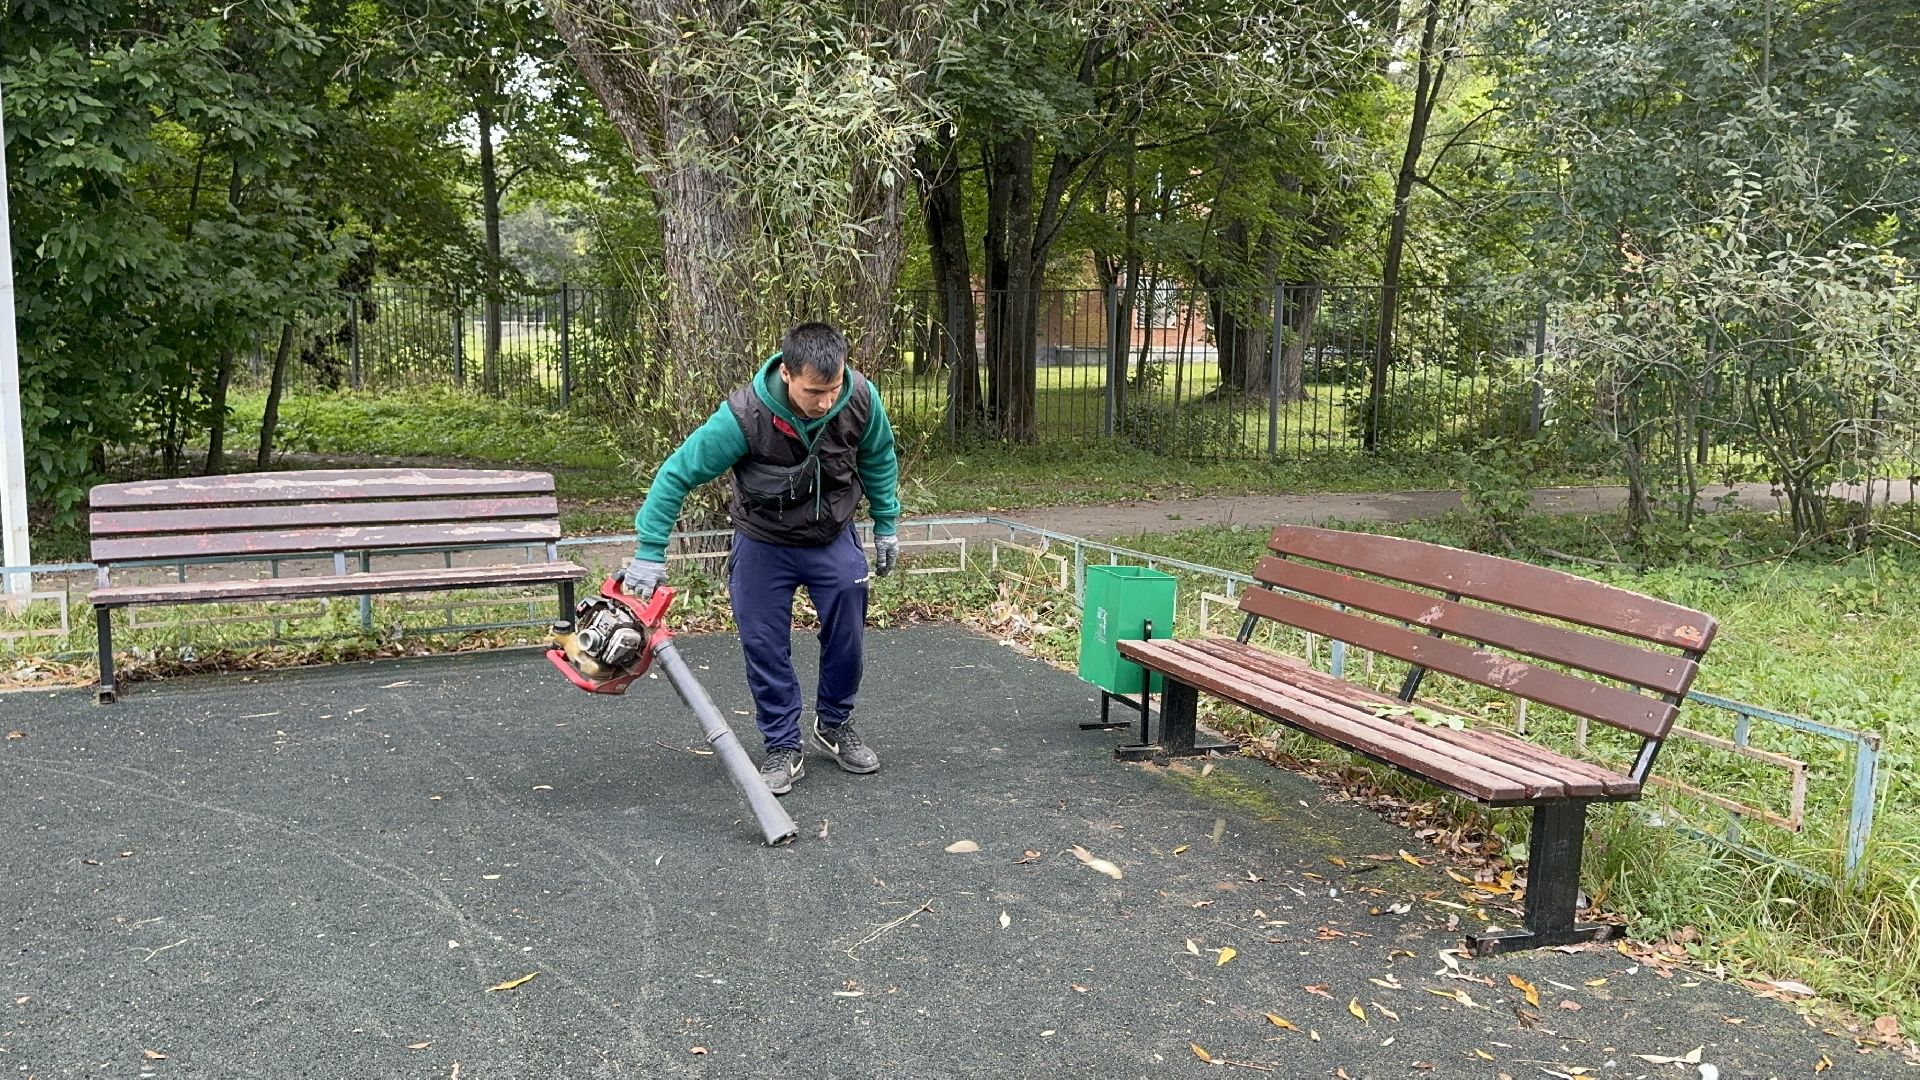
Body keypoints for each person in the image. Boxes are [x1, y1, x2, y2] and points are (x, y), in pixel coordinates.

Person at [621, 322, 900, 796]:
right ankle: (782, 745)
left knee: (849, 629)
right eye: (815, 391)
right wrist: (649, 553)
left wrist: (888, 524)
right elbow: (676, 475)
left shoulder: (860, 400)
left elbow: (878, 458)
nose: (826, 402)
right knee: (763, 643)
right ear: (788, 374)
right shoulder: (743, 416)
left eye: (833, 389)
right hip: (764, 540)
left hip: (831, 536)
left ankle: (833, 724)